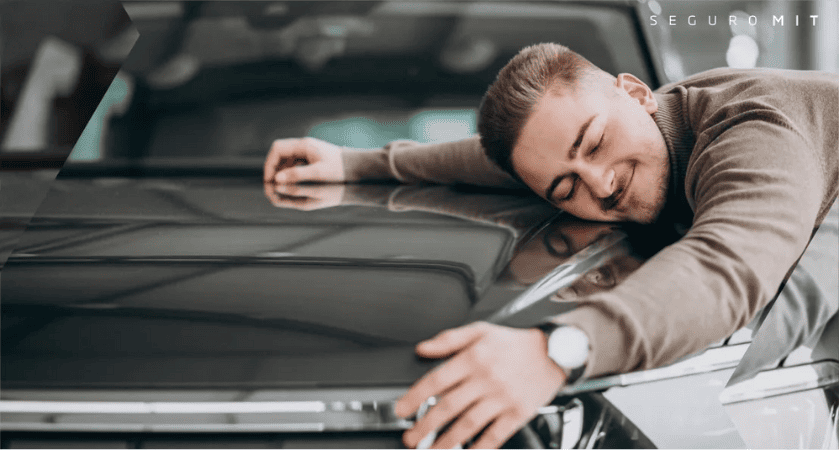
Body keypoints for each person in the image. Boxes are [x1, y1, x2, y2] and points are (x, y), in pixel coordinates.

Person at [264, 43, 838, 449]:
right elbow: (487, 162)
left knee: (785, 313)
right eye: (565, 190)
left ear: (638, 94)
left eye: (596, 144)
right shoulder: (613, 131)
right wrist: (354, 162)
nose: (600, 184)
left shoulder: (753, 132)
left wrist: (556, 350)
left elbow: (726, 267)